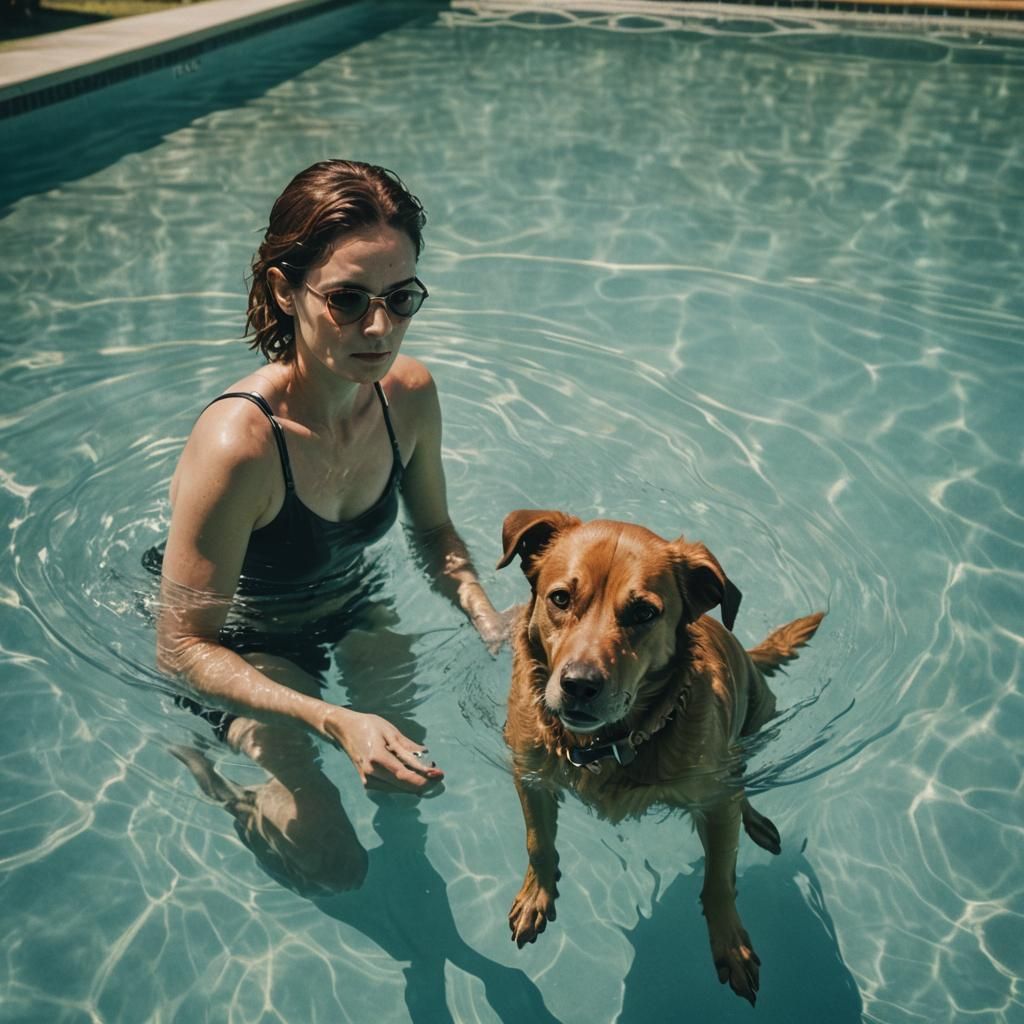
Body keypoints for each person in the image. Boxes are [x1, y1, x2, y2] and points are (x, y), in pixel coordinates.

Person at [151, 160, 505, 891]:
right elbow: (182, 646)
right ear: (286, 290)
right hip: (246, 642)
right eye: (347, 298)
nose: (379, 328)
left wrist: (485, 616)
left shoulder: (406, 397)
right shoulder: (239, 445)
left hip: (348, 603)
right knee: (338, 865)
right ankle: (224, 787)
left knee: (414, 778)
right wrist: (330, 719)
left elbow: (433, 532)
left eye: (400, 298)